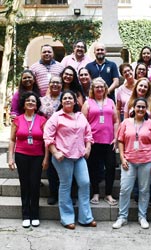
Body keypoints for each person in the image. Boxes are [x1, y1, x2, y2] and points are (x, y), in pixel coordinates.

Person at [43, 90, 96, 230]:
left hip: (79, 156)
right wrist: (55, 152)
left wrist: (88, 147)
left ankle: (86, 218)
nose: (67, 100)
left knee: (85, 183)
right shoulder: (56, 116)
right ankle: (67, 219)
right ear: (61, 102)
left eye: (70, 98)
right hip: (63, 157)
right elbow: (48, 136)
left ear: (74, 101)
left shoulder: (80, 116)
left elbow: (88, 133)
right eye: (64, 98)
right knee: (65, 185)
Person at [112, 97, 151, 229]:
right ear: (133, 108)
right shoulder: (126, 122)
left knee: (144, 190)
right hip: (129, 161)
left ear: (146, 109)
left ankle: (142, 216)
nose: (140, 109)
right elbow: (120, 141)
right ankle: (122, 217)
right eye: (138, 106)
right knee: (125, 189)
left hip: (146, 160)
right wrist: (122, 158)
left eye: (143, 107)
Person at [8, 92, 48, 228]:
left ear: (36, 105)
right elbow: (12, 140)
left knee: (35, 185)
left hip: (37, 156)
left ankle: (35, 215)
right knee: (24, 185)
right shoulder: (17, 120)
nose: (31, 103)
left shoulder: (42, 120)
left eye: (33, 101)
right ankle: (25, 215)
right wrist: (10, 158)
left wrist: (46, 159)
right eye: (28, 101)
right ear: (24, 104)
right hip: (21, 155)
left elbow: (47, 141)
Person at [82, 77, 119, 206]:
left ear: (105, 88)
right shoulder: (88, 103)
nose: (99, 89)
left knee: (110, 168)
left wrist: (116, 137)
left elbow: (115, 121)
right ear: (93, 89)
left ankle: (108, 194)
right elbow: (83, 123)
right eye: (96, 86)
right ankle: (96, 193)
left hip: (109, 141)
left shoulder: (111, 102)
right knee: (93, 168)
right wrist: (86, 140)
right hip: (93, 141)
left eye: (101, 86)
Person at [39, 75, 62, 205]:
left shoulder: (65, 98)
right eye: (52, 82)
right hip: (47, 137)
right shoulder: (41, 100)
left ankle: (67, 193)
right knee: (51, 167)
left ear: (61, 85)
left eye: (57, 83)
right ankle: (53, 193)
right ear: (49, 84)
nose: (55, 85)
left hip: (63, 137)